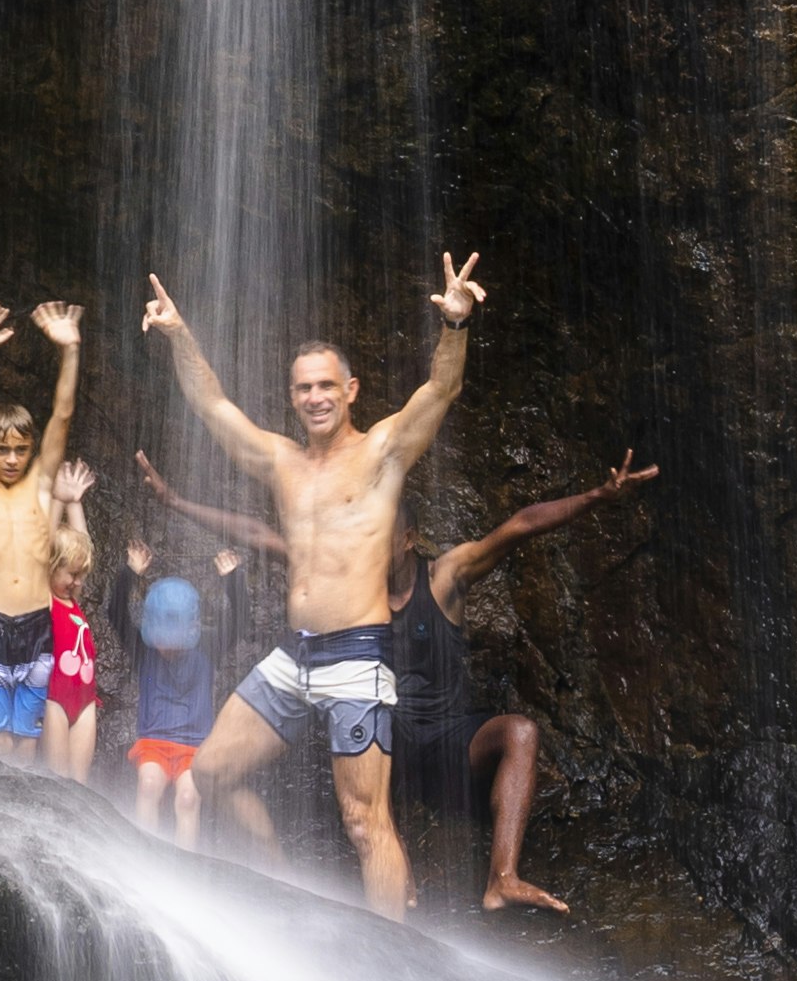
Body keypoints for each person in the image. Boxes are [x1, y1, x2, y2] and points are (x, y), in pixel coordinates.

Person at [140, 253, 485, 913]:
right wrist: (180, 334)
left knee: (364, 821)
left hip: (357, 656)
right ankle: (284, 893)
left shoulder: (382, 451)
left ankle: (394, 961)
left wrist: (456, 325)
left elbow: (440, 391)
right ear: (292, 396)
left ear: (350, 389)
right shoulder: (281, 460)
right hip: (294, 655)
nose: (315, 397)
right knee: (209, 772)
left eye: (326, 385)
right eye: (303, 388)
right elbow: (211, 403)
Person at [387, 454, 658, 915]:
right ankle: (399, 880)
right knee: (358, 729)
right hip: (389, 746)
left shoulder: (444, 578)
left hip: (451, 742)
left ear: (409, 538)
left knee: (521, 731)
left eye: (382, 534)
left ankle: (502, 879)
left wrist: (597, 496)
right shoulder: (354, 596)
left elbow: (519, 526)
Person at [0, 292, 84, 748]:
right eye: (1, 449)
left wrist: (69, 350)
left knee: (27, 743)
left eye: (21, 450)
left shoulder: (41, 490)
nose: (12, 459)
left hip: (36, 627)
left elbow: (62, 414)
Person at [116, 543, 250, 846]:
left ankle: (183, 864)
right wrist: (129, 574)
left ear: (191, 630)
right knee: (149, 785)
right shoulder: (142, 649)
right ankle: (143, 852)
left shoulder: (207, 646)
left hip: (194, 746)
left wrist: (233, 580)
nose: (167, 647)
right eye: (162, 638)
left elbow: (240, 621)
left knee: (188, 797)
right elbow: (117, 613)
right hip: (154, 741)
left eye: (174, 639)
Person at [46, 459, 103, 781]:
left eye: (82, 576)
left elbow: (83, 545)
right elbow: (43, 548)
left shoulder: (73, 601)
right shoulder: (45, 599)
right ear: (51, 567)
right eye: (72, 575)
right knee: (57, 778)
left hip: (85, 701)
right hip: (53, 697)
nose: (79, 582)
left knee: (79, 782)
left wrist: (75, 503)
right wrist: (57, 499)